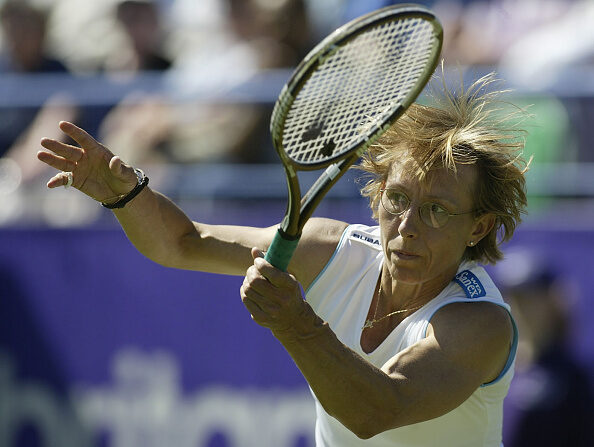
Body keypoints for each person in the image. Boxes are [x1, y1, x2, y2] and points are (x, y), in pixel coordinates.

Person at [36, 72, 529, 446]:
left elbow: (375, 412)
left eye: (438, 211)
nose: (407, 226)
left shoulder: (479, 324)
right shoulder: (327, 250)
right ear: (377, 196)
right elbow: (181, 242)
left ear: (479, 227)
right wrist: (125, 196)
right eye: (397, 199)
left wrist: (297, 324)